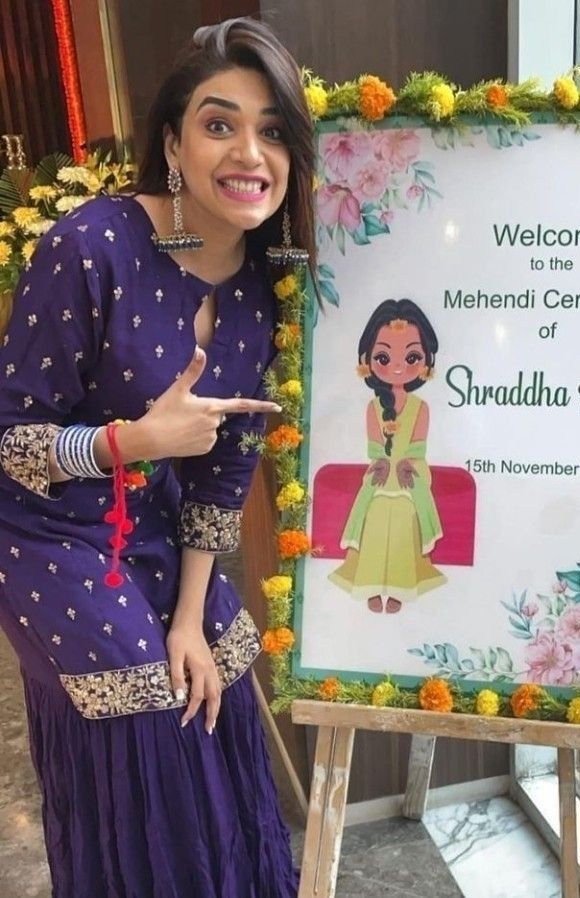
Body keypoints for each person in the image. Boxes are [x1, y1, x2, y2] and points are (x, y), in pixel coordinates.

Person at [0, 17, 314, 898]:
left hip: (156, 534)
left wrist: (186, 616)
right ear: (173, 142)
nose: (249, 152)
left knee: (219, 663)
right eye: (220, 124)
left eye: (273, 130)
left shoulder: (261, 284)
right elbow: (9, 441)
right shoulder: (90, 247)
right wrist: (131, 441)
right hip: (43, 534)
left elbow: (221, 479)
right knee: (152, 718)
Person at [329, 299, 446, 613]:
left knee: (406, 513)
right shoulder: (373, 406)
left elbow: (418, 446)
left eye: (411, 357)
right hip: (381, 470)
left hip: (412, 471)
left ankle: (399, 588)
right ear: (369, 359)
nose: (397, 366)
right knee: (376, 511)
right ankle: (369, 582)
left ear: (425, 361)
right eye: (384, 356)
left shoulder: (421, 407)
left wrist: (406, 466)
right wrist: (382, 463)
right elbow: (374, 446)